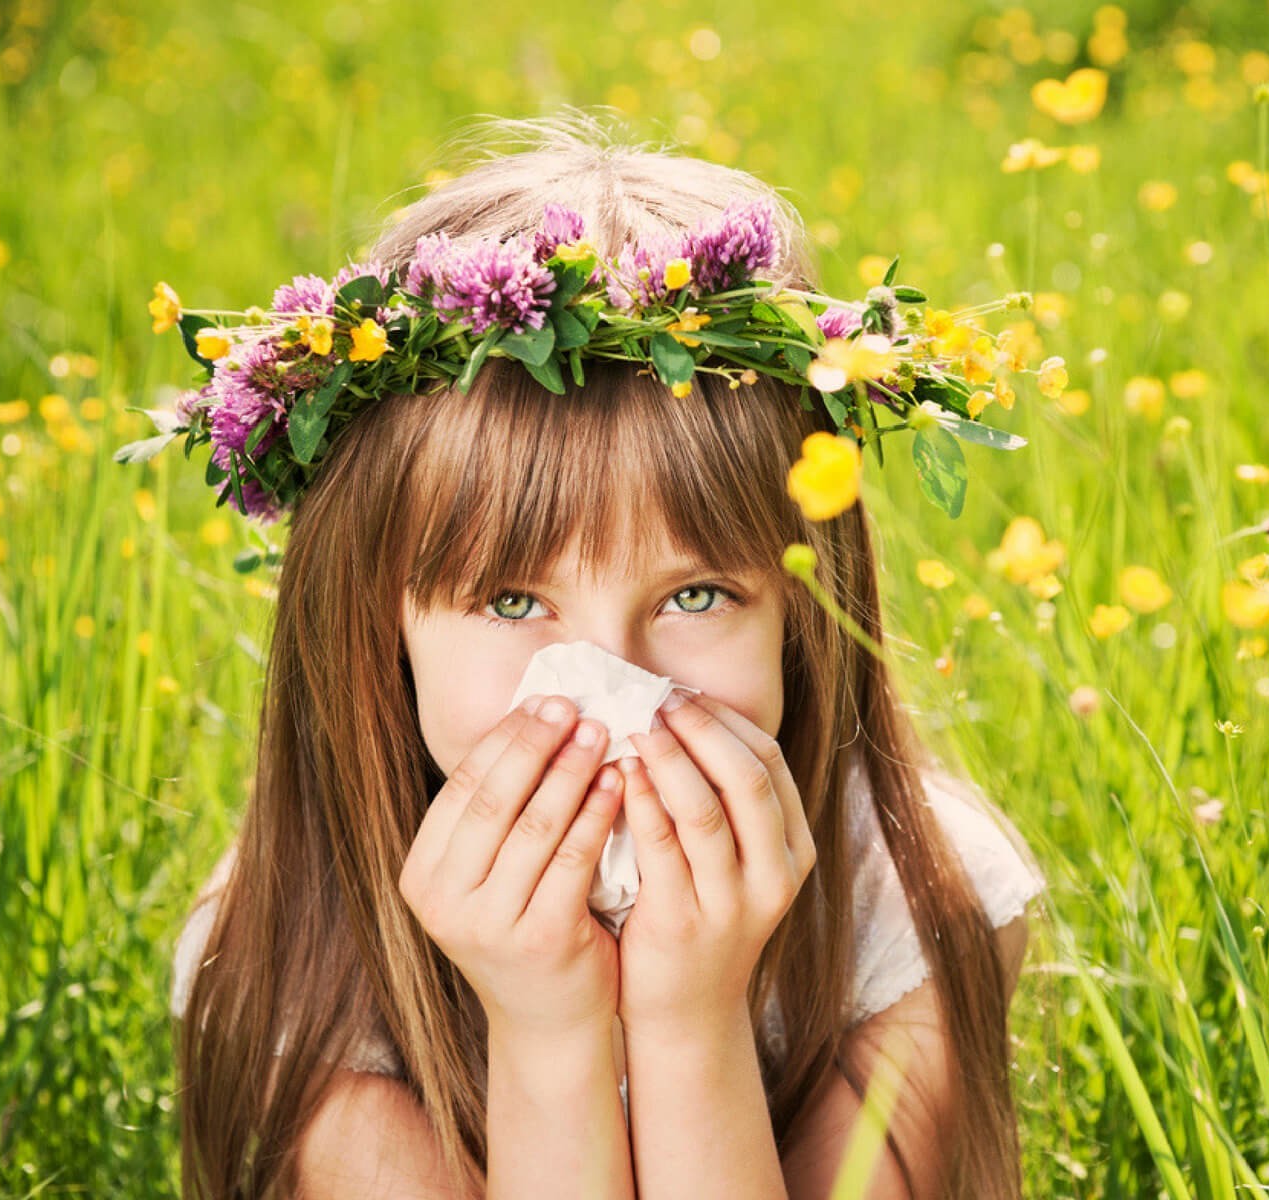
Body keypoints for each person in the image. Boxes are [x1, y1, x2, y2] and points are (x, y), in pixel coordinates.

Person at [156, 111, 1049, 1199]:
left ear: (805, 610)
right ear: (374, 624)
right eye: (512, 598)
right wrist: (547, 1031)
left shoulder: (912, 894)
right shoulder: (292, 951)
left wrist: (689, 1021)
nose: (612, 690)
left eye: (696, 593)